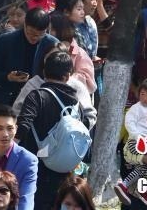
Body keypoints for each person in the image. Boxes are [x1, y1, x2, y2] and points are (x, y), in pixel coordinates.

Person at [15, 51, 92, 209]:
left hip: (36, 170)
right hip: (65, 173)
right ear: (68, 75)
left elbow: (23, 125)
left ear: (44, 72)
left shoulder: (37, 96)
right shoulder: (76, 104)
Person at [0, 9, 57, 107]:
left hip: (36, 100)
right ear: (25, 24)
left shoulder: (52, 45)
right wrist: (7, 77)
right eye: (31, 32)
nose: (35, 37)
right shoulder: (6, 40)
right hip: (6, 98)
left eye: (40, 34)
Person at [114, 78, 147, 205]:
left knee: (143, 168)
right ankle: (143, 189)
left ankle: (124, 185)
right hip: (138, 141)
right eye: (142, 94)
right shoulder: (136, 108)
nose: (145, 98)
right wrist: (137, 136)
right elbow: (129, 122)